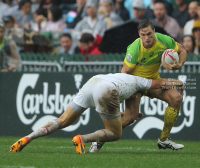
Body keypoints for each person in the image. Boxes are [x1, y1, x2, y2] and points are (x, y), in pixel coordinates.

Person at [10, 72, 183, 153]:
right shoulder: (142, 81)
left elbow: (123, 111)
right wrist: (178, 83)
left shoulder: (124, 77)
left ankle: (28, 138)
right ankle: (82, 139)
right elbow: (159, 84)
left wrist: (129, 114)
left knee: (62, 120)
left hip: (93, 82)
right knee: (115, 133)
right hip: (106, 89)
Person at [89, 20, 187, 152]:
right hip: (134, 84)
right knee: (130, 117)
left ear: (154, 32)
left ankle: (164, 139)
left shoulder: (164, 40)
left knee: (176, 98)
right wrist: (119, 100)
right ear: (139, 34)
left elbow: (182, 50)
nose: (146, 38)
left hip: (153, 82)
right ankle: (98, 141)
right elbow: (124, 74)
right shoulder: (135, 48)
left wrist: (179, 64)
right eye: (143, 35)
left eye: (149, 34)